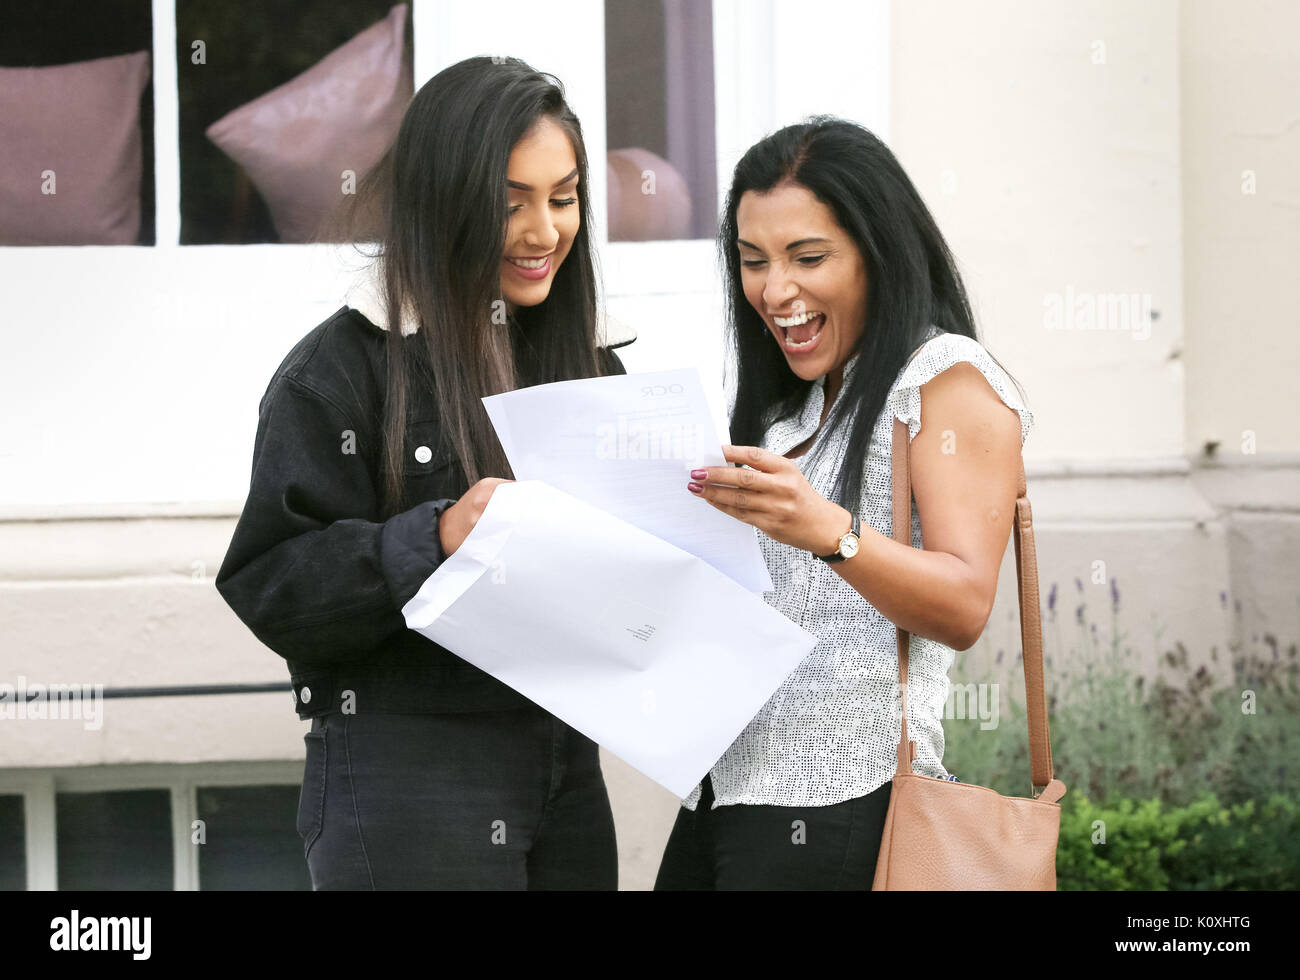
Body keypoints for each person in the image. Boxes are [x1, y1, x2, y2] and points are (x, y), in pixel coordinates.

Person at [215, 56, 634, 890]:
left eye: (564, 196)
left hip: (565, 764)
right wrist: (436, 536)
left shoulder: (592, 365)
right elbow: (271, 584)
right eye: (510, 202)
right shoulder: (339, 369)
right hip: (408, 771)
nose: (544, 230)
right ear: (442, 198)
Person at [654, 116, 1034, 890]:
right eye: (753, 261)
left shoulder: (942, 380)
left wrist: (826, 529)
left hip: (846, 802)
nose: (775, 290)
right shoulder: (791, 412)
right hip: (724, 788)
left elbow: (964, 604)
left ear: (878, 253)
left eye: (808, 257)